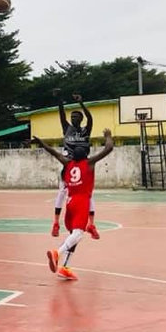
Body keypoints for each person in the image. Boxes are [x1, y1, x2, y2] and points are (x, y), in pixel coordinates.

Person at [35, 128, 114, 281]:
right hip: (82, 201)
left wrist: (41, 143)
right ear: (85, 155)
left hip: (70, 203)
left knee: (74, 237)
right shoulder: (89, 163)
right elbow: (109, 148)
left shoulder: (68, 163)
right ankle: (57, 252)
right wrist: (108, 136)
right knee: (78, 234)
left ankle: (65, 268)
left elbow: (53, 152)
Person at [51, 93, 99, 239]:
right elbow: (61, 115)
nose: (73, 119)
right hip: (69, 164)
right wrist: (60, 100)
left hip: (83, 164)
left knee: (88, 195)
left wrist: (81, 104)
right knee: (62, 192)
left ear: (81, 119)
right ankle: (55, 223)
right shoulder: (67, 128)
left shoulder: (86, 130)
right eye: (72, 117)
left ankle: (91, 224)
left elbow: (90, 119)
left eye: (76, 117)